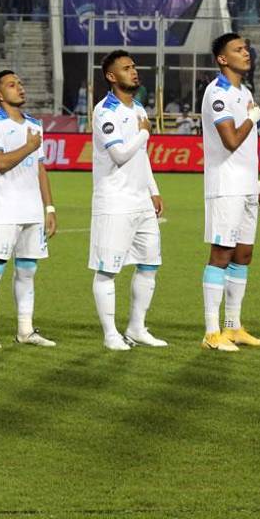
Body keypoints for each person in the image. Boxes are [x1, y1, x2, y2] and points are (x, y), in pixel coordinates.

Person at [200, 33, 260, 352]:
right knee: (221, 254)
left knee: (243, 255)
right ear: (222, 59)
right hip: (225, 186)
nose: (246, 53)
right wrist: (252, 118)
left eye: (246, 48)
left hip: (246, 187)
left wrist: (259, 187)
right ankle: (211, 332)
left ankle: (233, 327)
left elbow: (247, 151)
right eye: (238, 49)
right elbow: (231, 141)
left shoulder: (245, 92)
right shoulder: (217, 93)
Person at [0, 71, 58, 349]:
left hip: (32, 210)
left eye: (20, 83)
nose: (20, 88)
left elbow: (40, 168)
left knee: (27, 271)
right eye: (12, 85)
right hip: (4, 209)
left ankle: (25, 330)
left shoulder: (34, 124)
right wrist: (29, 145)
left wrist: (49, 207)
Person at [89, 50, 167, 351]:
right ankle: (110, 334)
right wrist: (145, 134)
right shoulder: (104, 112)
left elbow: (141, 156)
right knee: (108, 270)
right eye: (126, 68)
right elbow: (119, 154)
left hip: (141, 201)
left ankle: (136, 327)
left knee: (149, 264)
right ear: (111, 76)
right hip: (114, 201)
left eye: (134, 66)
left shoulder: (138, 109)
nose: (134, 71)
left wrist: (153, 189)